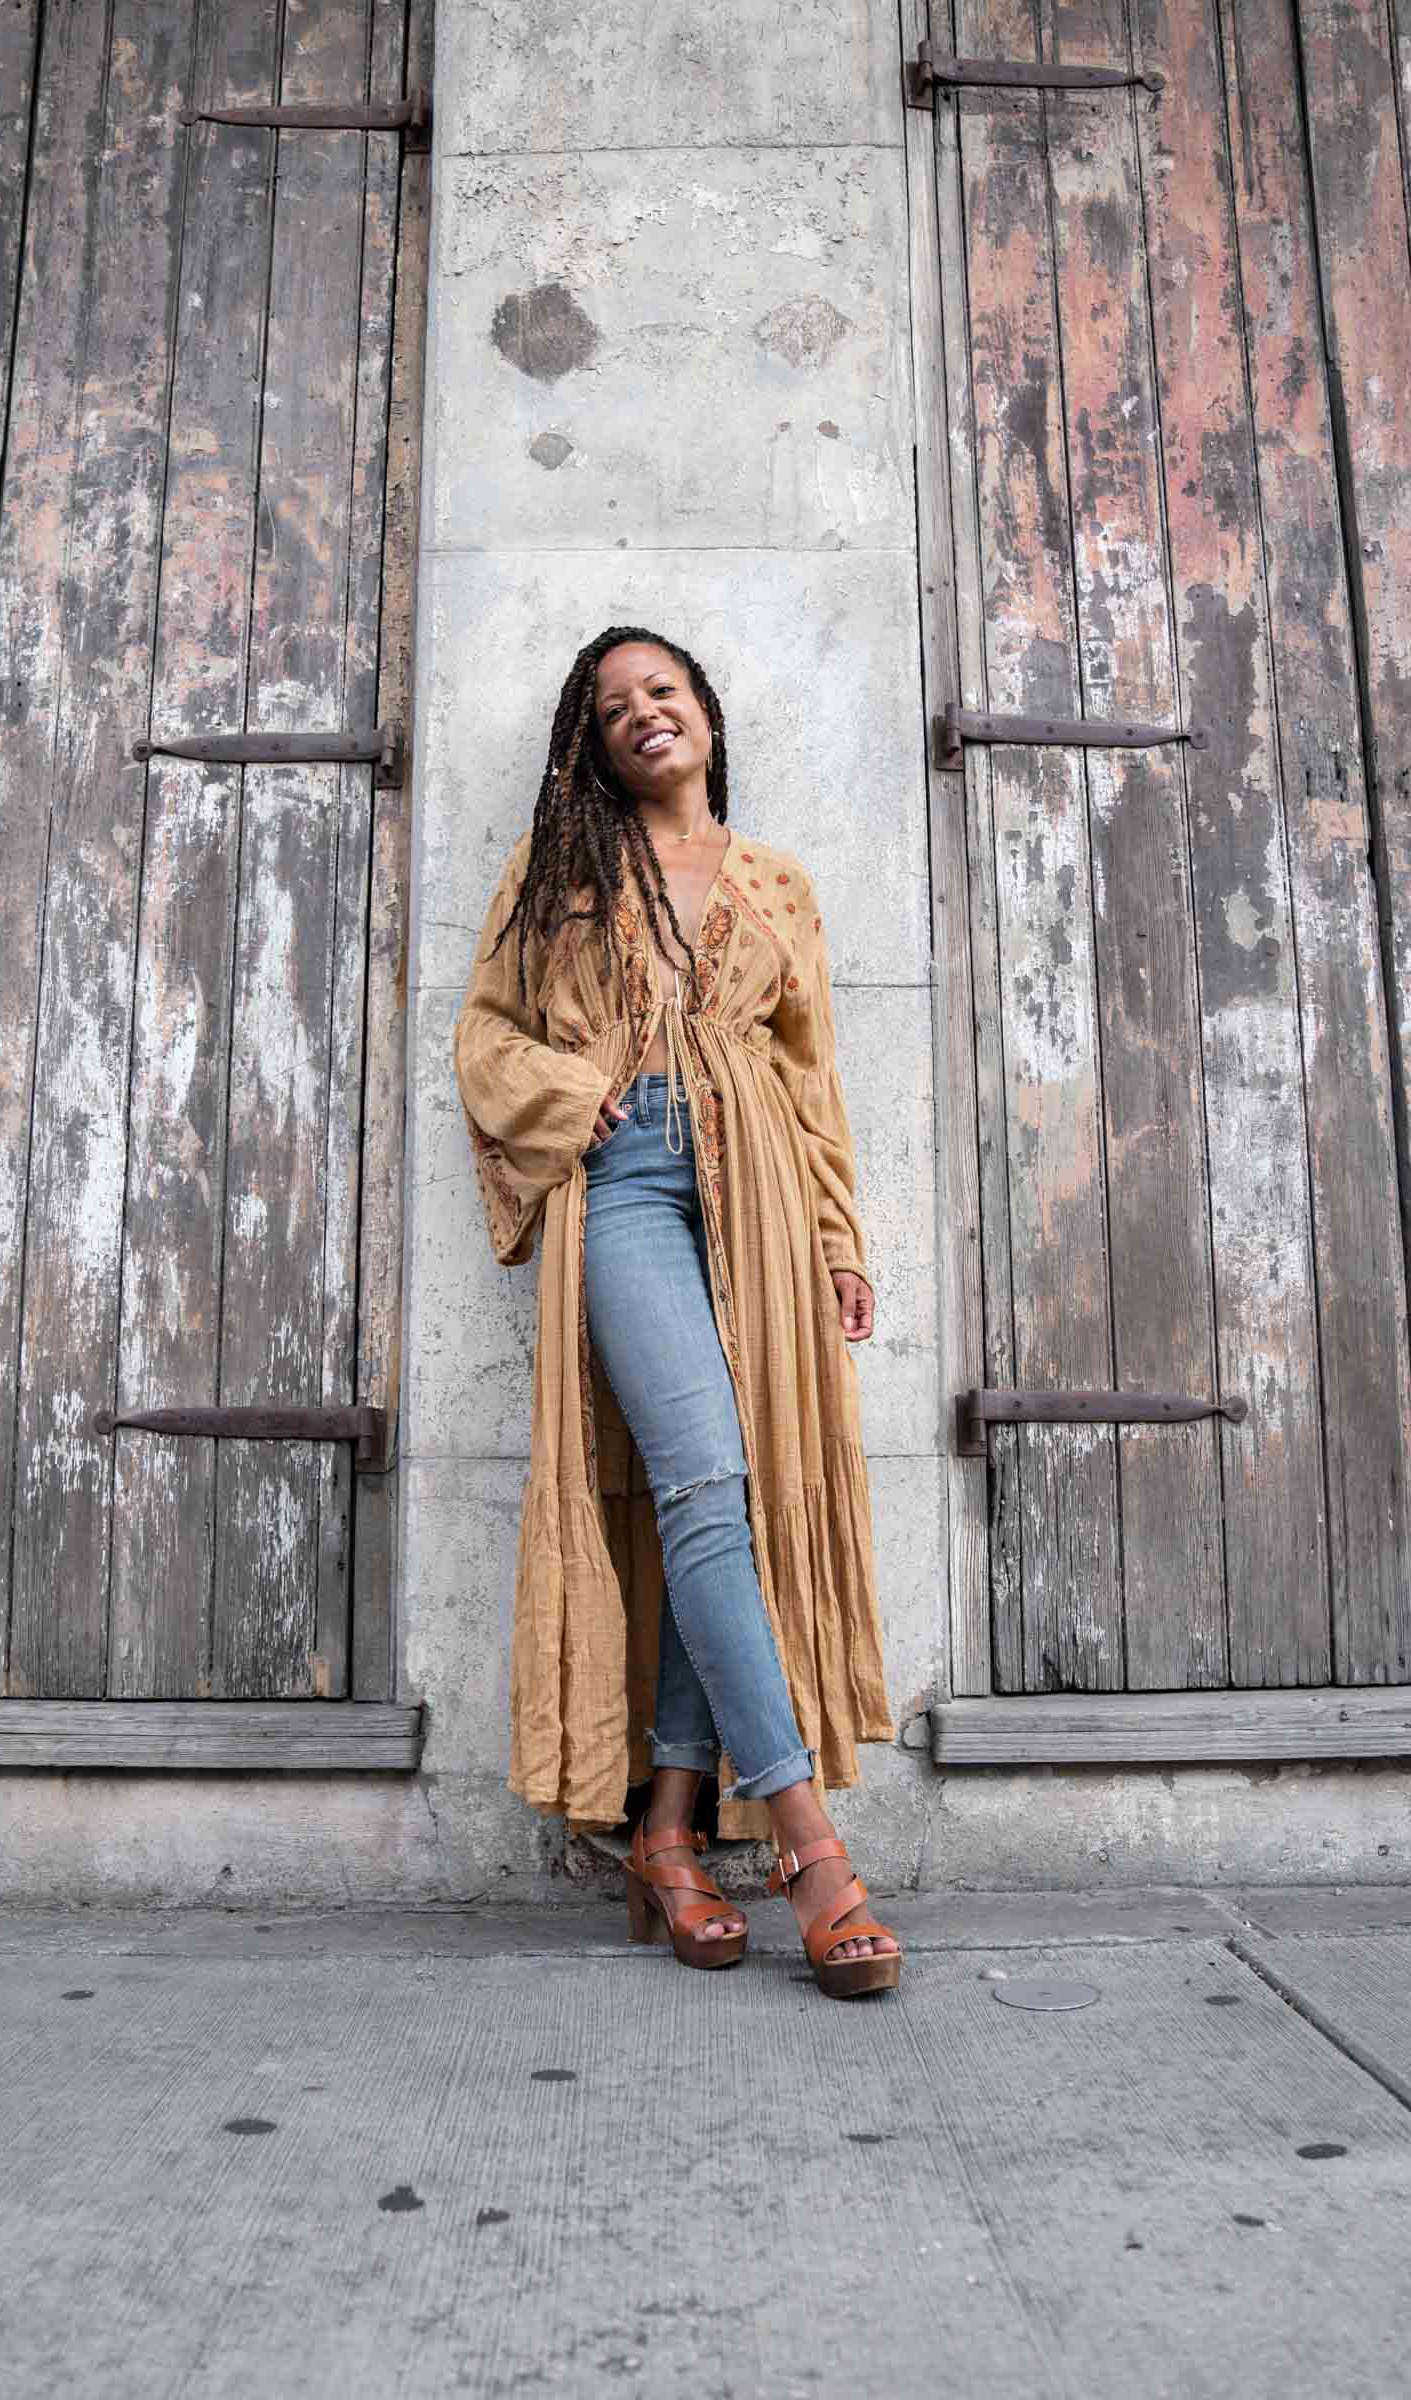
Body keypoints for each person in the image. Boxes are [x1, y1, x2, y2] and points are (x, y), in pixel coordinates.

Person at [452, 624, 900, 1998]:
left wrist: (836, 1239)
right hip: (629, 1182)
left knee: (742, 1493)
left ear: (706, 711)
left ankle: (667, 1832)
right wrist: (580, 1103)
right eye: (613, 707)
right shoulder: (559, 873)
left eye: (665, 691)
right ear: (592, 747)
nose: (645, 714)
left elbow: (809, 1080)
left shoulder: (778, 884)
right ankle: (814, 1851)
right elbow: (486, 1034)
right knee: (702, 1483)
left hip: (760, 1186)